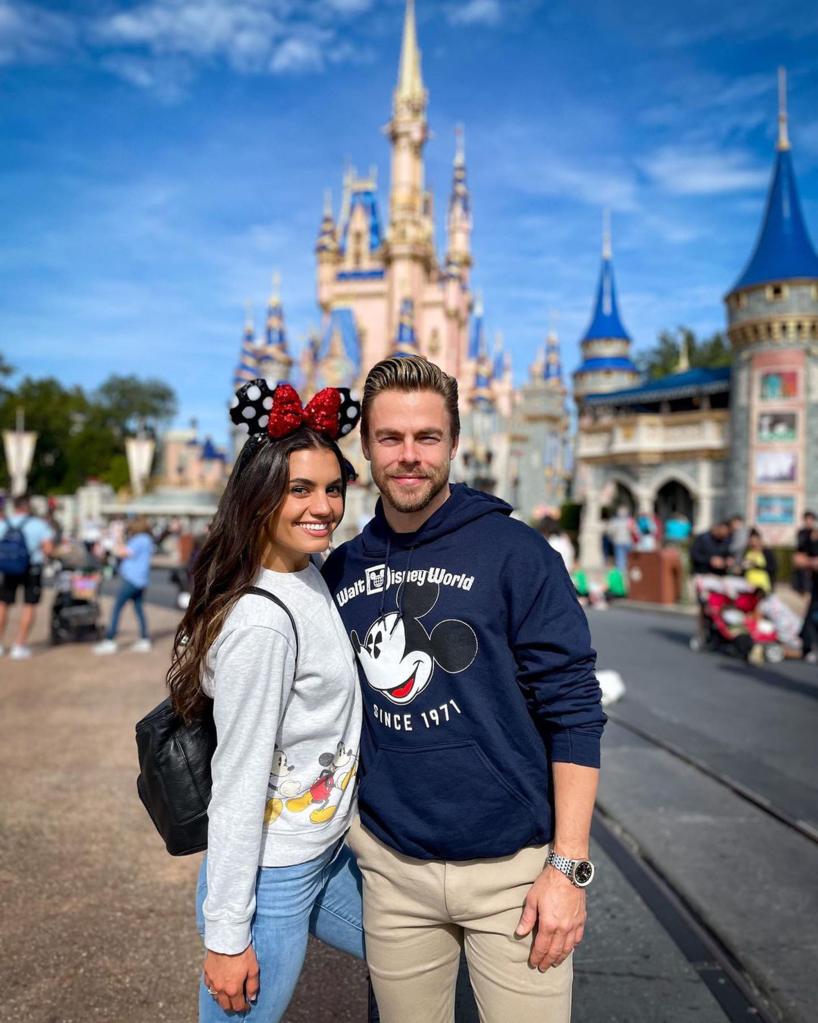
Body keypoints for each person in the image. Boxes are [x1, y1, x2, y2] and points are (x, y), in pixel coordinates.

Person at [322, 356, 605, 1023]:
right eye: (390, 438)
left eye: (428, 437)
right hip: (394, 869)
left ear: (453, 441)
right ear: (364, 447)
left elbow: (575, 711)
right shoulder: (340, 569)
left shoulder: (515, 552)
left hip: (512, 872)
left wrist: (567, 867)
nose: (409, 455)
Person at [167, 382, 366, 1021]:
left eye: (332, 488)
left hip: (325, 853)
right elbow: (238, 780)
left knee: (429, 952)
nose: (323, 507)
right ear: (259, 497)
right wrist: (228, 937)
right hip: (272, 875)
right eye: (300, 489)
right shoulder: (262, 624)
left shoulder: (304, 571)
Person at [0, 494, 55, 659]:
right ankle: (19, 644)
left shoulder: (4, 524)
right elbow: (48, 549)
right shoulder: (39, 525)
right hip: (32, 568)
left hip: (7, 568)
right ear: (28, 507)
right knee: (29, 605)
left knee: (3, 604)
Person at [93, 516, 155, 654]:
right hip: (141, 579)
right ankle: (144, 638)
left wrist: (117, 537)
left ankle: (110, 640)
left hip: (132, 579)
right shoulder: (147, 540)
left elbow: (121, 552)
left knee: (117, 608)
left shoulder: (139, 540)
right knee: (139, 609)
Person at [794, 523, 818, 664]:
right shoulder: (810, 538)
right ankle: (808, 648)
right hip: (816, 589)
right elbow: (797, 559)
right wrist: (811, 562)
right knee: (811, 618)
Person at [794, 510, 816, 598]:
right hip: (803, 559)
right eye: (807, 519)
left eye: (811, 519)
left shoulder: (815, 532)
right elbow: (800, 546)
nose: (809, 521)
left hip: (813, 560)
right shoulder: (802, 532)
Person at [608, 504, 634, 575]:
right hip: (627, 541)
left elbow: (610, 531)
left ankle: (622, 573)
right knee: (627, 557)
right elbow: (633, 530)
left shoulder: (615, 521)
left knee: (620, 558)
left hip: (619, 541)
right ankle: (627, 571)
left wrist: (612, 538)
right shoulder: (629, 521)